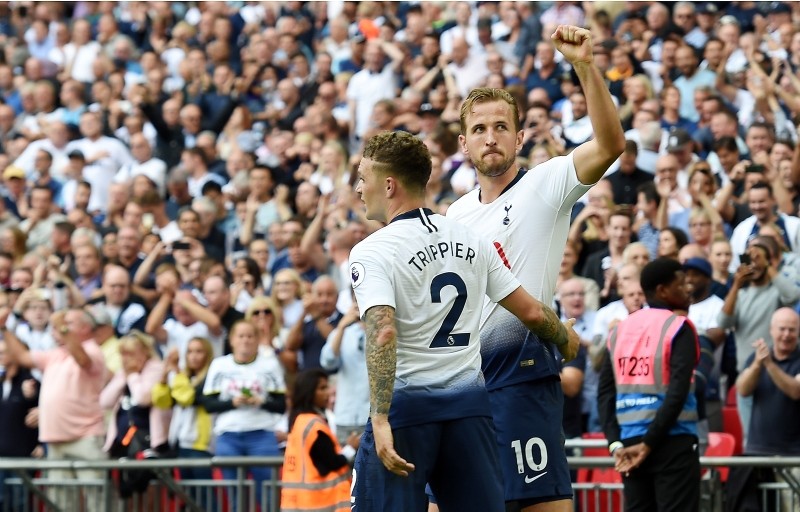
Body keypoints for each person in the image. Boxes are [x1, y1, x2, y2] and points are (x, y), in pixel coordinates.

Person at [349, 130, 578, 511]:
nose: (358, 189)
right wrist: (565, 340)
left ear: (388, 185)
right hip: (470, 411)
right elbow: (533, 312)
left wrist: (380, 417)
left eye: (362, 178)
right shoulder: (470, 239)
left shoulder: (373, 250)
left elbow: (383, 332)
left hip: (408, 413)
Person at [446, 24, 625, 511]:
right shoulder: (455, 215)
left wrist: (585, 66)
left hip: (521, 378)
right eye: (479, 129)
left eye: (501, 126)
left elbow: (610, 145)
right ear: (464, 142)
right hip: (463, 384)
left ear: (520, 136)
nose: (490, 137)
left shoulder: (546, 183)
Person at [598, 258, 701, 512]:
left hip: (630, 444)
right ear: (662, 290)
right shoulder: (678, 327)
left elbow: (604, 395)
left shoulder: (619, 330)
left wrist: (616, 444)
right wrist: (651, 442)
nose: (688, 288)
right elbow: (677, 392)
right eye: (681, 283)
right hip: (672, 442)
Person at [735, 308, 800, 508]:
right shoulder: (758, 359)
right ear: (771, 330)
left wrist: (770, 365)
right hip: (758, 454)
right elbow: (743, 389)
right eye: (782, 329)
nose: (786, 335)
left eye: (792, 330)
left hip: (794, 456)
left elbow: (796, 390)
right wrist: (757, 364)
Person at [281, 368, 358, 512]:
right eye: (322, 388)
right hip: (320, 503)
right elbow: (330, 462)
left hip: (299, 504)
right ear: (309, 391)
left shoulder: (298, 421)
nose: (328, 392)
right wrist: (351, 447)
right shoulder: (313, 425)